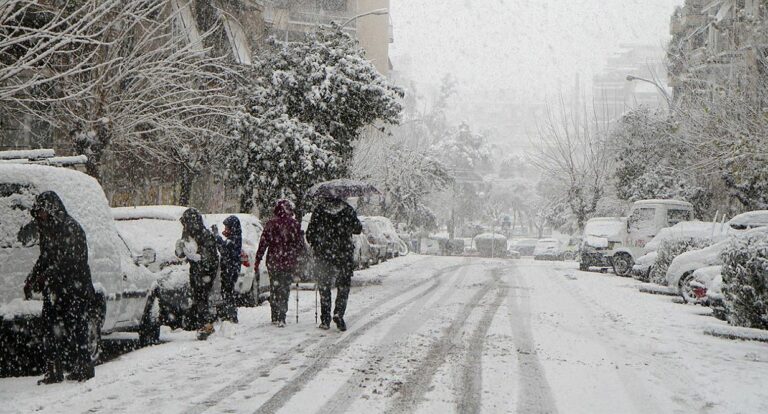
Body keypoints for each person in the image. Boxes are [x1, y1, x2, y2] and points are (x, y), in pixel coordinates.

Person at [23, 191, 96, 384]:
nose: (40, 216)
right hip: (55, 288)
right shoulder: (47, 229)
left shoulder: (71, 228)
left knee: (77, 327)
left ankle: (83, 366)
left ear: (52, 209)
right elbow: (45, 257)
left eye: (43, 211)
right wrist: (32, 278)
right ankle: (54, 370)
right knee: (49, 327)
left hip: (75, 287)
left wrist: (46, 276)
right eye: (38, 212)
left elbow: (71, 261)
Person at [306, 196, 362, 331]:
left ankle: (325, 319)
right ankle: (339, 313)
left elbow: (310, 234)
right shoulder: (347, 210)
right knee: (343, 285)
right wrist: (345, 228)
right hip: (343, 253)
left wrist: (317, 243)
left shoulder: (319, 210)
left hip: (323, 254)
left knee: (324, 286)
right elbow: (358, 228)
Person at [255, 200, 305, 328]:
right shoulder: (294, 224)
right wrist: (300, 259)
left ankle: (275, 314)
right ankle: (282, 315)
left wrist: (258, 258)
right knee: (284, 288)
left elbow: (263, 243)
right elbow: (300, 245)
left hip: (273, 261)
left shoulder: (271, 224)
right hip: (288, 262)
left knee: (274, 287)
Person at [176, 208, 219, 339]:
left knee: (201, 297)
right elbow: (184, 253)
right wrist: (180, 250)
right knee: (198, 297)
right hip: (196, 270)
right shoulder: (189, 234)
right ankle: (203, 324)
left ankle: (205, 325)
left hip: (206, 271)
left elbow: (209, 257)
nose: (184, 226)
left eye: (186, 223)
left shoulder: (205, 235)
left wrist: (198, 258)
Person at [213, 216, 242, 323]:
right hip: (231, 267)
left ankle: (231, 314)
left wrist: (217, 237)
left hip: (231, 268)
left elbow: (224, 249)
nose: (225, 229)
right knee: (226, 291)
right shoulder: (234, 236)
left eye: (227, 228)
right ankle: (228, 313)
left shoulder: (235, 238)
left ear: (232, 228)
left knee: (228, 291)